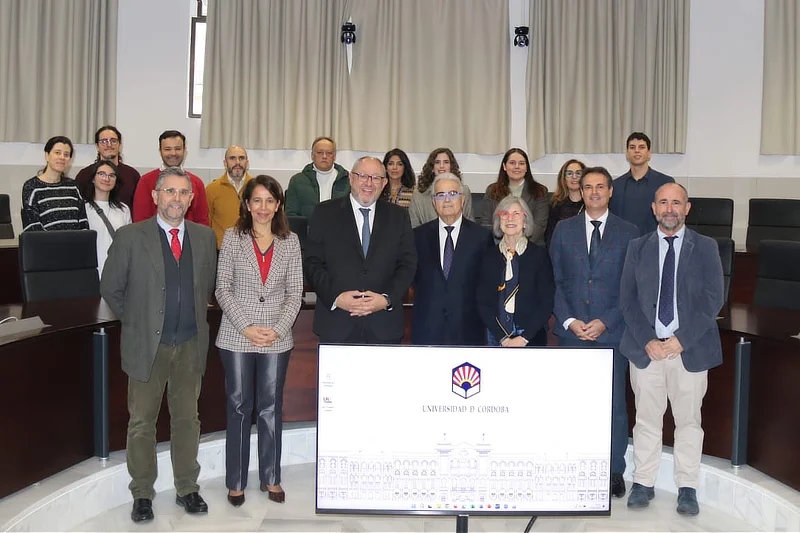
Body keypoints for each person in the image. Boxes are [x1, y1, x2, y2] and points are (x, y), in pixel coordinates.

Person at [100, 167, 217, 524]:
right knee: (142, 423)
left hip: (190, 344)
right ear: (155, 196)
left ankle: (186, 487)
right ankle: (142, 493)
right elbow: (111, 289)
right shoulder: (130, 236)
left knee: (187, 420)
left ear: (191, 199)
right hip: (147, 347)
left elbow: (205, 288)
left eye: (183, 193)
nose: (176, 199)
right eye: (169, 192)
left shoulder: (204, 237)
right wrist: (137, 322)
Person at [620, 183, 724, 516]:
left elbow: (712, 300)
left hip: (688, 350)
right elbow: (627, 300)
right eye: (663, 202)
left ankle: (687, 487)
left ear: (687, 208)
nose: (669, 208)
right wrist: (648, 339)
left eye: (676, 202)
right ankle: (643, 482)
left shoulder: (706, 247)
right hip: (646, 350)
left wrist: (682, 339)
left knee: (689, 421)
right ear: (654, 208)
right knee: (646, 420)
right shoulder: (637, 248)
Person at [549, 166, 640, 499]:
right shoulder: (563, 230)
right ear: (581, 191)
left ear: (610, 191)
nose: (594, 192)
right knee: (572, 403)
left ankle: (614, 470)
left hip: (612, 334)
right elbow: (554, 281)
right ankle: (571, 464)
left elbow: (631, 288)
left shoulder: (629, 232)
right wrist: (570, 320)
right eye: (588, 187)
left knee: (613, 405)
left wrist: (606, 321)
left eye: (600, 186)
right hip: (572, 334)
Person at [215, 175, 302, 508]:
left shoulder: (290, 241)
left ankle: (272, 477)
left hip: (277, 338)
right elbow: (223, 288)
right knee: (238, 406)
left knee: (270, 408)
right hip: (237, 335)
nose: (263, 208)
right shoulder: (233, 238)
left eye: (269, 201)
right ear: (246, 204)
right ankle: (235, 481)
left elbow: (295, 292)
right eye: (257, 201)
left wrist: (278, 328)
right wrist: (247, 326)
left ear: (278, 204)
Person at [304, 156, 417, 344]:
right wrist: (337, 298)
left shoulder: (398, 217)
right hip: (337, 323)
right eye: (363, 175)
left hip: (384, 325)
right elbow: (313, 263)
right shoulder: (324, 213)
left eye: (376, 178)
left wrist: (386, 299)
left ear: (384, 183)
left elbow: (407, 265)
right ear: (351, 178)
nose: (369, 183)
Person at [412, 173, 492, 345]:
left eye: (453, 194)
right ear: (434, 202)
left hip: (468, 329)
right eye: (440, 195)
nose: (447, 200)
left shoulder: (482, 237)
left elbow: (487, 285)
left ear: (462, 199)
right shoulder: (417, 236)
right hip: (427, 329)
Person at [477, 196, 554, 347]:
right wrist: (502, 338)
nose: (510, 219)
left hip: (531, 336)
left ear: (525, 221)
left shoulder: (539, 255)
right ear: (499, 222)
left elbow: (546, 301)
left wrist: (524, 337)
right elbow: (483, 301)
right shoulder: (488, 256)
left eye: (516, 214)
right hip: (496, 336)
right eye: (504, 214)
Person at [132, 130, 209, 225]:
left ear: (184, 150)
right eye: (167, 149)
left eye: (178, 148)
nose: (173, 153)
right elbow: (140, 221)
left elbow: (202, 221)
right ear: (160, 151)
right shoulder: (146, 181)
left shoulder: (197, 183)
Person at [609, 132, 675, 235]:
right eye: (632, 147)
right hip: (624, 244)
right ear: (627, 154)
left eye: (641, 147)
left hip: (654, 243)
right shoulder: (615, 186)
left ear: (649, 154)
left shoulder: (665, 183)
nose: (636, 151)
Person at [482, 148, 549, 246]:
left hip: (531, 247)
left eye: (521, 163)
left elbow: (539, 226)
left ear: (526, 168)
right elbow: (486, 223)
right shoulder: (492, 190)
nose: (517, 167)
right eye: (512, 163)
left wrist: (517, 245)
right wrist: (505, 245)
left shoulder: (540, 191)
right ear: (504, 166)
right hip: (498, 246)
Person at [21, 136, 89, 232]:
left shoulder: (74, 186)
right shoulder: (32, 186)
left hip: (75, 245)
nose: (62, 157)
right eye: (57, 153)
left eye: (66, 154)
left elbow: (83, 222)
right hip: (46, 245)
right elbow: (32, 226)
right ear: (47, 155)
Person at [78, 160, 132, 276]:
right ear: (93, 179)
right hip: (92, 270)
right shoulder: (83, 209)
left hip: (118, 271)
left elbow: (129, 244)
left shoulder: (124, 210)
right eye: (101, 174)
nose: (107, 179)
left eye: (111, 175)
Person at [75, 125, 141, 209]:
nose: (109, 145)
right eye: (103, 141)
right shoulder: (85, 175)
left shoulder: (132, 175)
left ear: (120, 145)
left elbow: (138, 208)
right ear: (97, 146)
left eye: (113, 141)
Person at [285, 137, 350, 217]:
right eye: (320, 152)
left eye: (329, 153)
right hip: (308, 229)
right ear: (312, 155)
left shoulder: (348, 181)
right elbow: (290, 214)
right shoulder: (297, 181)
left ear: (334, 156)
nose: (324, 156)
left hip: (339, 228)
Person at [409, 148, 473, 228]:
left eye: (446, 162)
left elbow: (469, 222)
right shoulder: (418, 194)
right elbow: (413, 224)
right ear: (432, 167)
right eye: (437, 162)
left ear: (451, 166)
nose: (441, 166)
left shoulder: (464, 191)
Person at [206, 145, 253, 248]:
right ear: (225, 163)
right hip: (221, 250)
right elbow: (206, 224)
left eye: (241, 158)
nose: (237, 162)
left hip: (251, 250)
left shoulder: (256, 188)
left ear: (247, 163)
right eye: (232, 158)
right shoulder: (212, 189)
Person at [545, 159, 586, 247]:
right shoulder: (555, 205)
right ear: (563, 179)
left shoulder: (591, 203)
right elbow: (550, 236)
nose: (574, 177)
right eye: (569, 173)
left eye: (578, 173)